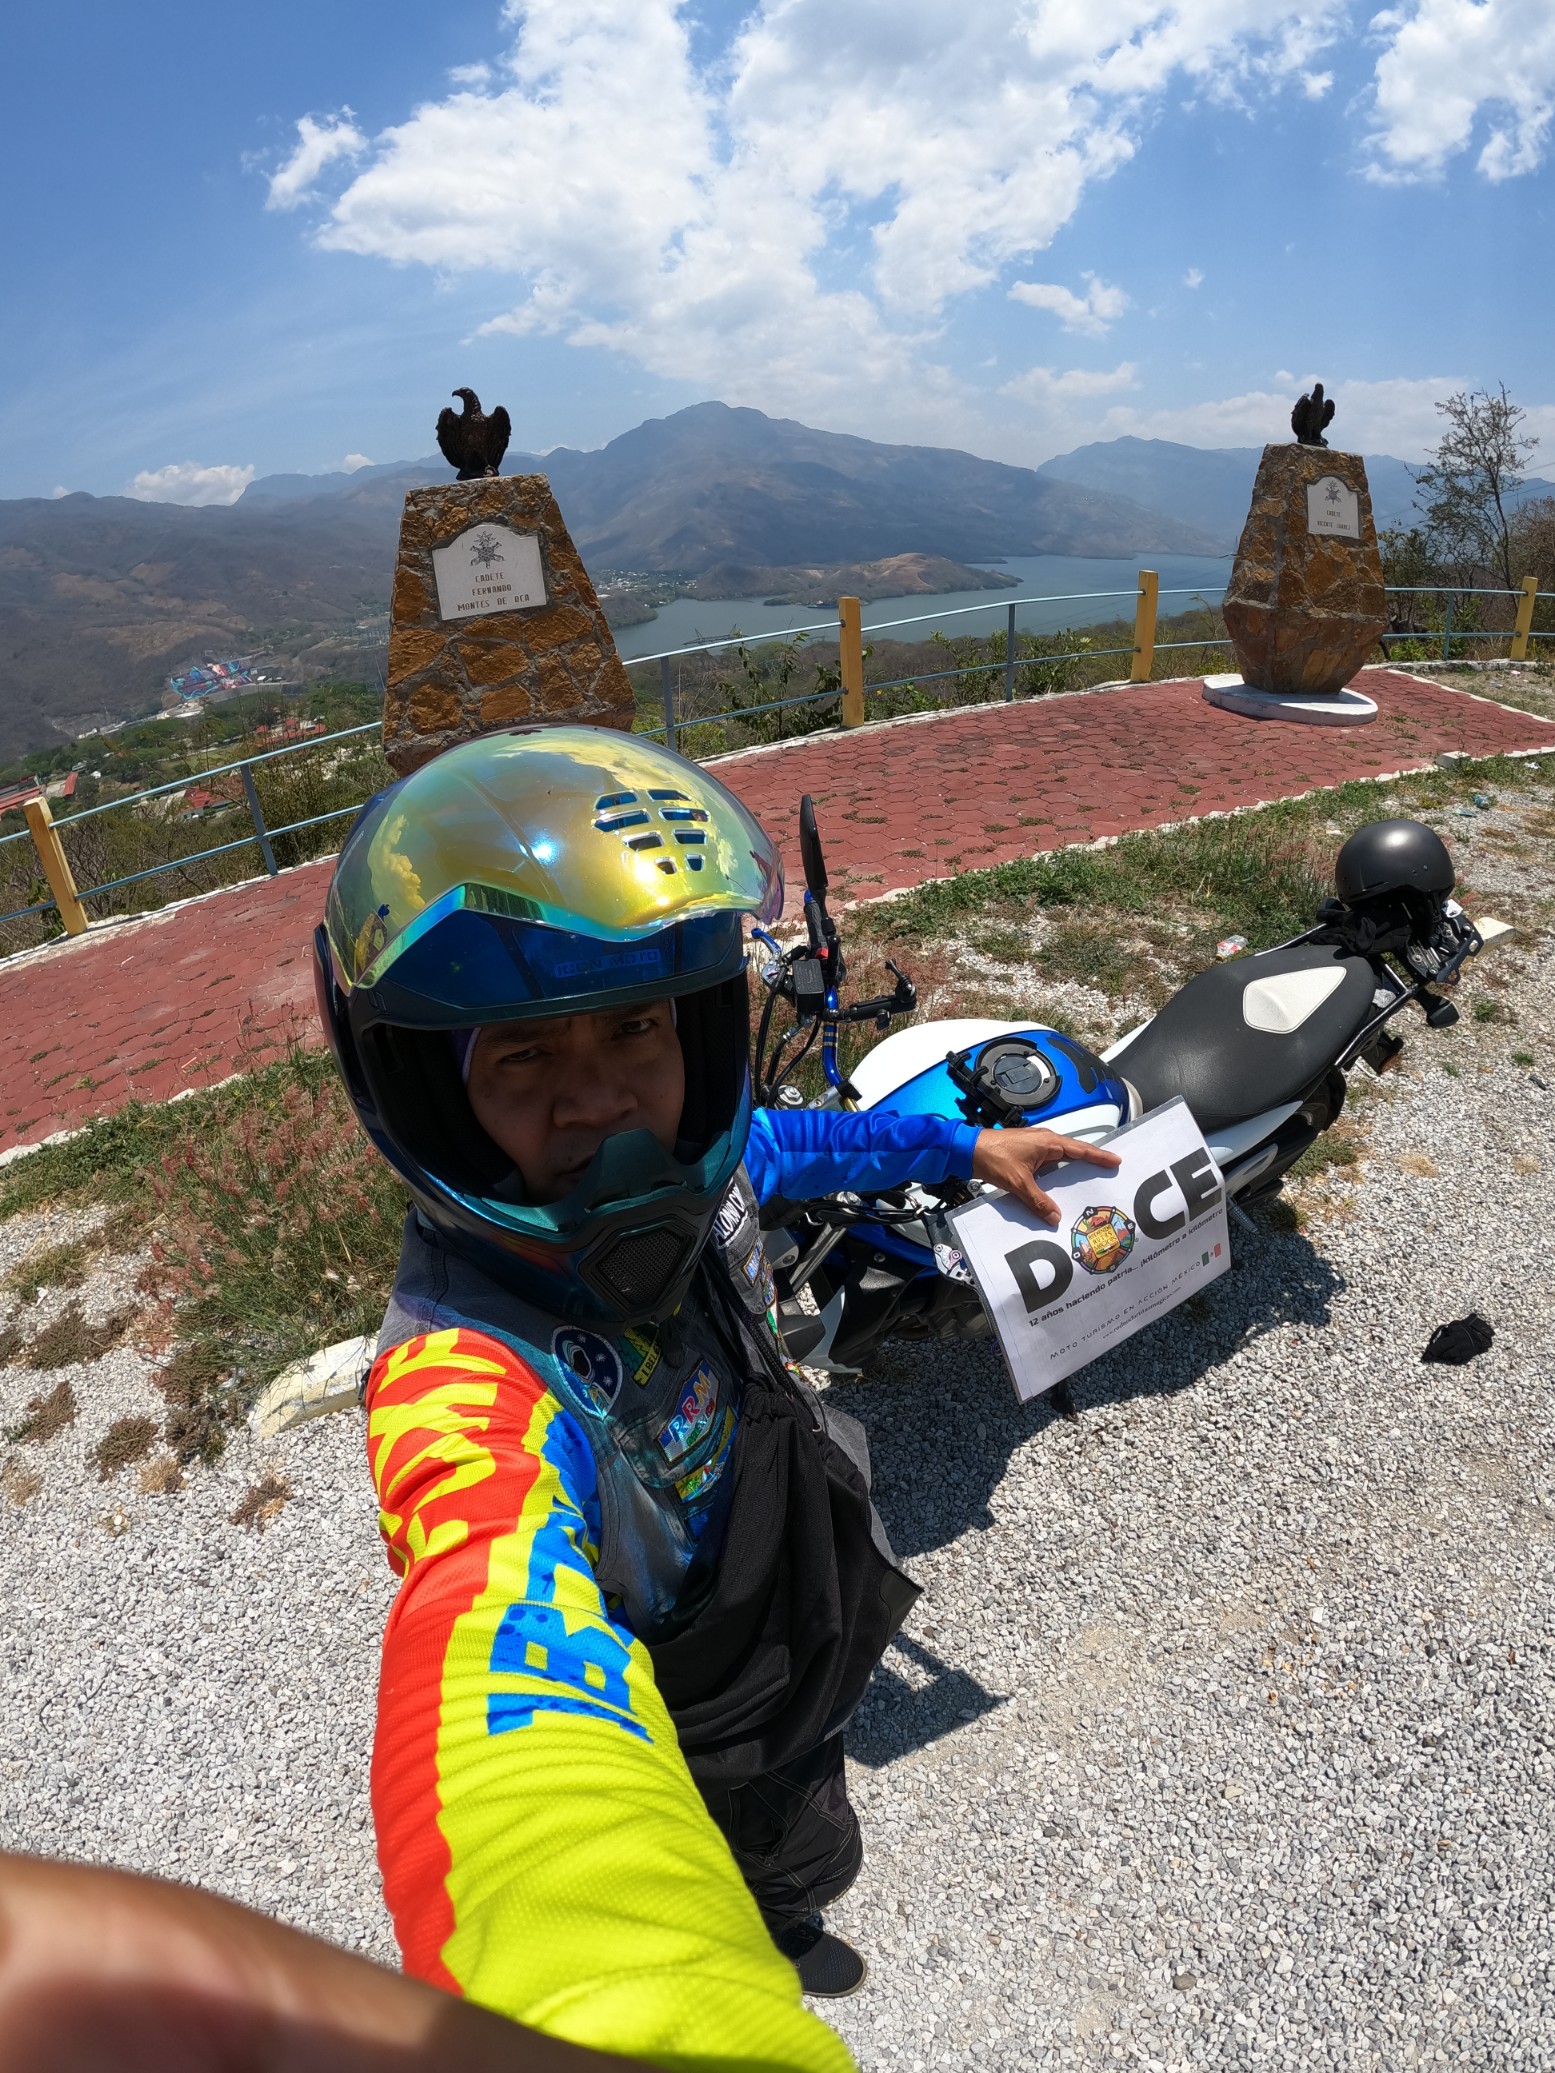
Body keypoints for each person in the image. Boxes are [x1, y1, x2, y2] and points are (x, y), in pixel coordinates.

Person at [314, 725, 1118, 2056]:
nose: (601, 1104)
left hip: (791, 1574)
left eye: (636, 1028)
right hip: (675, 1707)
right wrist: (608, 1987)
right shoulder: (461, 1369)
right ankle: (771, 1933)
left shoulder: (705, 1154)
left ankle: (788, 1915)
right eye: (523, 1057)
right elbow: (489, 1624)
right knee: (760, 1847)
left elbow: (800, 1144)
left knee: (810, 1816)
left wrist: (962, 1143)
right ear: (433, 1095)